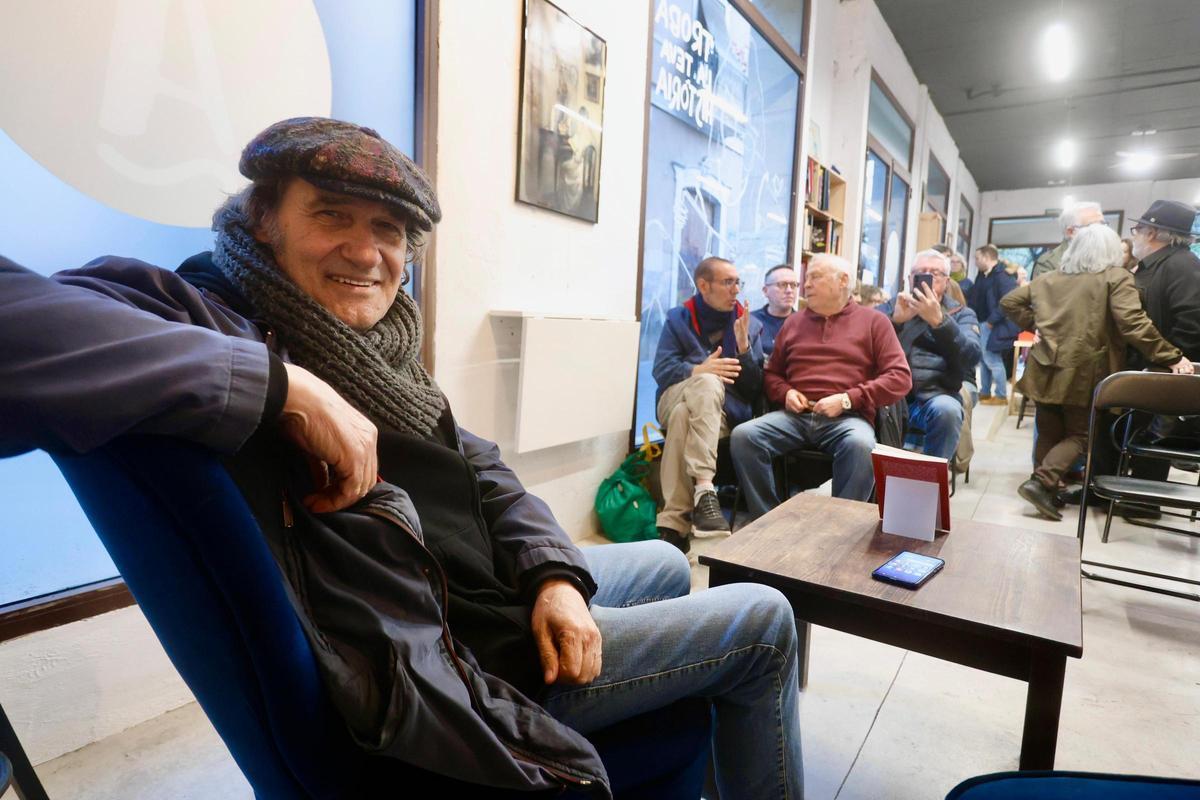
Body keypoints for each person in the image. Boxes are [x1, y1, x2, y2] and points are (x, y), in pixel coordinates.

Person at [0, 117, 802, 799]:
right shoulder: (200, 315)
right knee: (764, 620)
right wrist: (283, 389)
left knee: (658, 562)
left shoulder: (368, 345)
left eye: (388, 230)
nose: (365, 250)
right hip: (444, 660)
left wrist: (552, 576)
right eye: (332, 217)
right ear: (261, 221)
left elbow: (478, 463)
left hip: (463, 597)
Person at [1000, 223, 1192, 520]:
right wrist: (1170, 355)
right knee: (1083, 435)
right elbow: (1132, 324)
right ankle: (1041, 483)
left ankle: (1047, 490)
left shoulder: (1049, 278)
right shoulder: (1115, 278)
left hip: (1044, 365)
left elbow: (1009, 301)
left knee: (1049, 430)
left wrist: (1036, 325)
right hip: (1085, 369)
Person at [730, 254, 911, 513]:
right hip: (796, 415)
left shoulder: (875, 322)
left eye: (815, 277)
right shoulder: (794, 322)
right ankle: (766, 518)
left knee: (861, 445)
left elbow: (900, 378)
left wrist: (847, 399)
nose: (806, 286)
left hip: (848, 417)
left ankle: (841, 522)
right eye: (807, 278)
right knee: (745, 436)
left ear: (843, 281)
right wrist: (786, 392)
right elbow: (773, 375)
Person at [651, 256, 764, 548]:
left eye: (738, 282)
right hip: (673, 394)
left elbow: (753, 389)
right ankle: (704, 486)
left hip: (721, 413)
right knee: (706, 381)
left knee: (681, 417)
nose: (736, 289)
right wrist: (698, 370)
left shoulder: (747, 324)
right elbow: (662, 371)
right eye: (728, 282)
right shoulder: (679, 318)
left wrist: (744, 349)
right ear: (703, 285)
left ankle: (672, 526)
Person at [1124, 200, 1200, 497]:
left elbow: (1193, 324)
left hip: (1162, 377)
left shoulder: (1182, 266)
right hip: (1144, 370)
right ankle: (1122, 493)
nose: (1134, 236)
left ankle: (1142, 501)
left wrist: (1164, 362)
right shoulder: (1155, 265)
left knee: (1151, 443)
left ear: (1153, 232)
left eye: (1138, 229)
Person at [877, 250, 981, 461]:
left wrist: (940, 322)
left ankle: (930, 482)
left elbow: (971, 357)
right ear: (909, 279)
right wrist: (895, 322)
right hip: (890, 396)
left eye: (935, 273)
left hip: (935, 395)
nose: (928, 277)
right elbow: (862, 345)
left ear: (946, 281)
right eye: (921, 273)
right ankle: (878, 483)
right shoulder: (891, 307)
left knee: (948, 410)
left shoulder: (961, 314)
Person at [968, 244, 1019, 405]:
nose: (975, 261)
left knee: (992, 359)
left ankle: (1001, 395)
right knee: (983, 359)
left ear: (987, 257)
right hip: (981, 322)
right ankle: (985, 392)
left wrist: (991, 321)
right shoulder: (983, 275)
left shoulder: (1003, 276)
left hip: (994, 324)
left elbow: (1007, 301)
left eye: (977, 258)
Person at [1030, 201, 1105, 281]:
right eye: (1092, 227)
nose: (1102, 231)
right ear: (1071, 231)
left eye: (1103, 225)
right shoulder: (1049, 264)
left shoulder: (1110, 257)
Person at [751, 263, 798, 358]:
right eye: (782, 285)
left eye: (793, 285)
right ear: (765, 291)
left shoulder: (805, 323)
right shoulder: (750, 322)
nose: (789, 290)